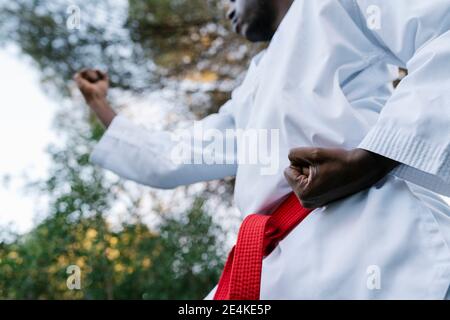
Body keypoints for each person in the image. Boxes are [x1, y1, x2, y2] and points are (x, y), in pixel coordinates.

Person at [75, 0, 450, 299]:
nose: (226, 10)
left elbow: (441, 36)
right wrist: (99, 105)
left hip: (377, 239)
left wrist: (372, 159)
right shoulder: (251, 92)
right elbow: (173, 156)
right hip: (272, 270)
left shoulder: (333, 7)